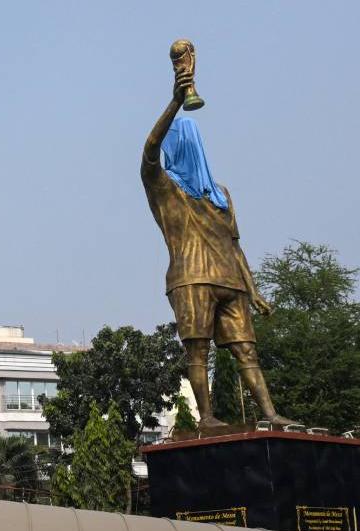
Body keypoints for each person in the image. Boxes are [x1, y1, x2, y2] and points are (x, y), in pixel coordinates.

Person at [140, 67, 289, 428]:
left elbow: (235, 246)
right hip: (191, 278)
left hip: (231, 281)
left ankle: (270, 414)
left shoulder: (221, 194)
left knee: (246, 351)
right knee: (198, 351)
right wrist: (176, 102)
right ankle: (207, 417)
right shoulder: (165, 188)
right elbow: (149, 152)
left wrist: (254, 291)